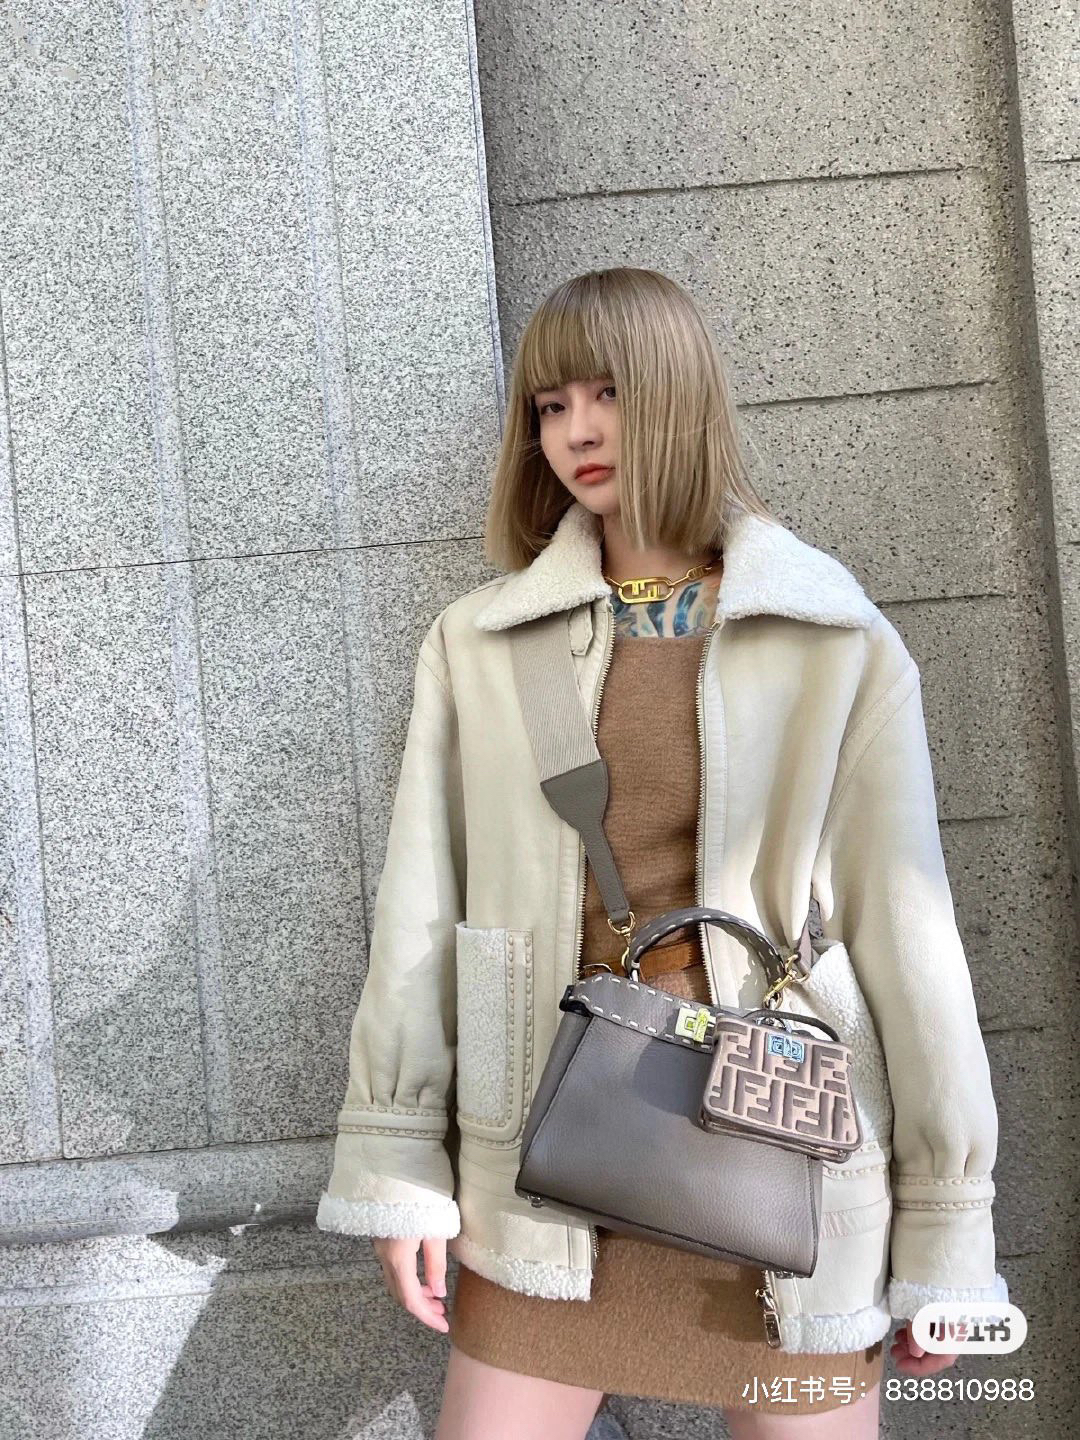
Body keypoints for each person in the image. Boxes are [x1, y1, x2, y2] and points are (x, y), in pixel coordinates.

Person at [316, 268, 1008, 1439]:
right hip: (547, 1163)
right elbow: (422, 913)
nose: (576, 431)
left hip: (780, 1161)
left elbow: (911, 940)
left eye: (609, 394)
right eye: (550, 406)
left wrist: (949, 1229)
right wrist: (399, 1162)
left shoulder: (832, 640)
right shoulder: (482, 645)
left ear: (681, 397)